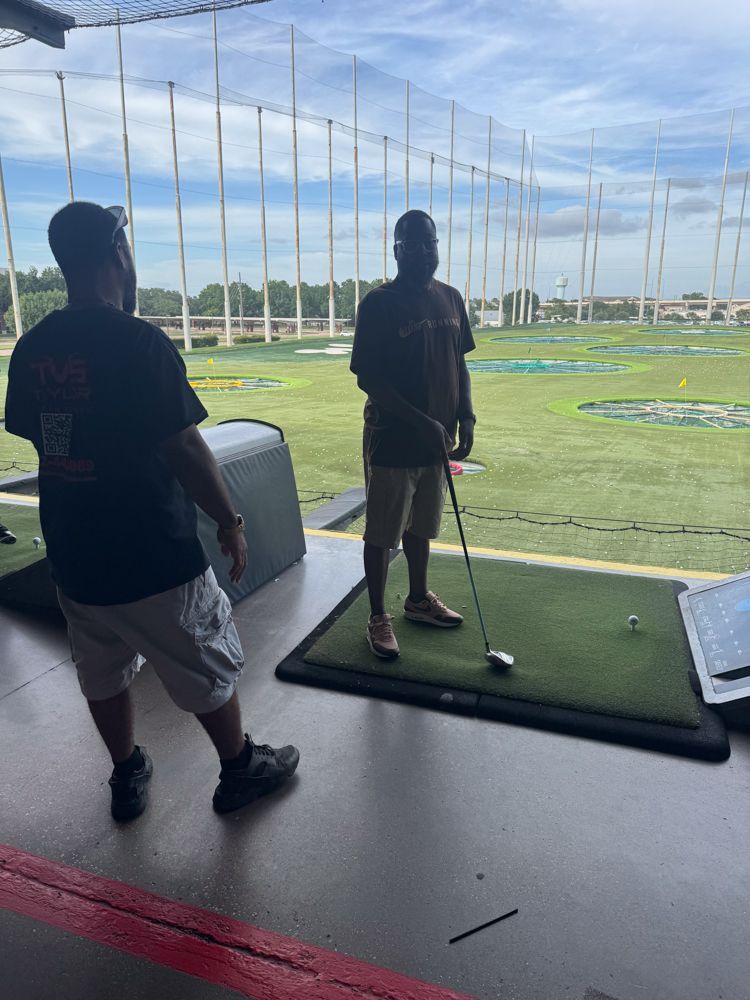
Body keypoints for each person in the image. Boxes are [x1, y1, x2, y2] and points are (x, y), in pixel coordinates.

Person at [4, 201, 299, 821]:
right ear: (118, 253)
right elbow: (185, 446)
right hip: (152, 551)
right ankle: (240, 768)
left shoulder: (33, 348)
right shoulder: (138, 342)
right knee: (204, 655)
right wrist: (230, 522)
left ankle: (126, 770)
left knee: (102, 668)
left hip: (76, 554)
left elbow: (45, 439)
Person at [350, 209, 476, 659]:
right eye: (413, 243)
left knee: (421, 525)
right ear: (397, 249)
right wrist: (422, 421)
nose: (424, 251)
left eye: (431, 243)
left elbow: (459, 362)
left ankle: (419, 600)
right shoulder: (380, 303)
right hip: (393, 439)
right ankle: (378, 616)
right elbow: (370, 379)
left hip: (435, 441)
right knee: (383, 532)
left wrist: (467, 415)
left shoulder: (451, 298)